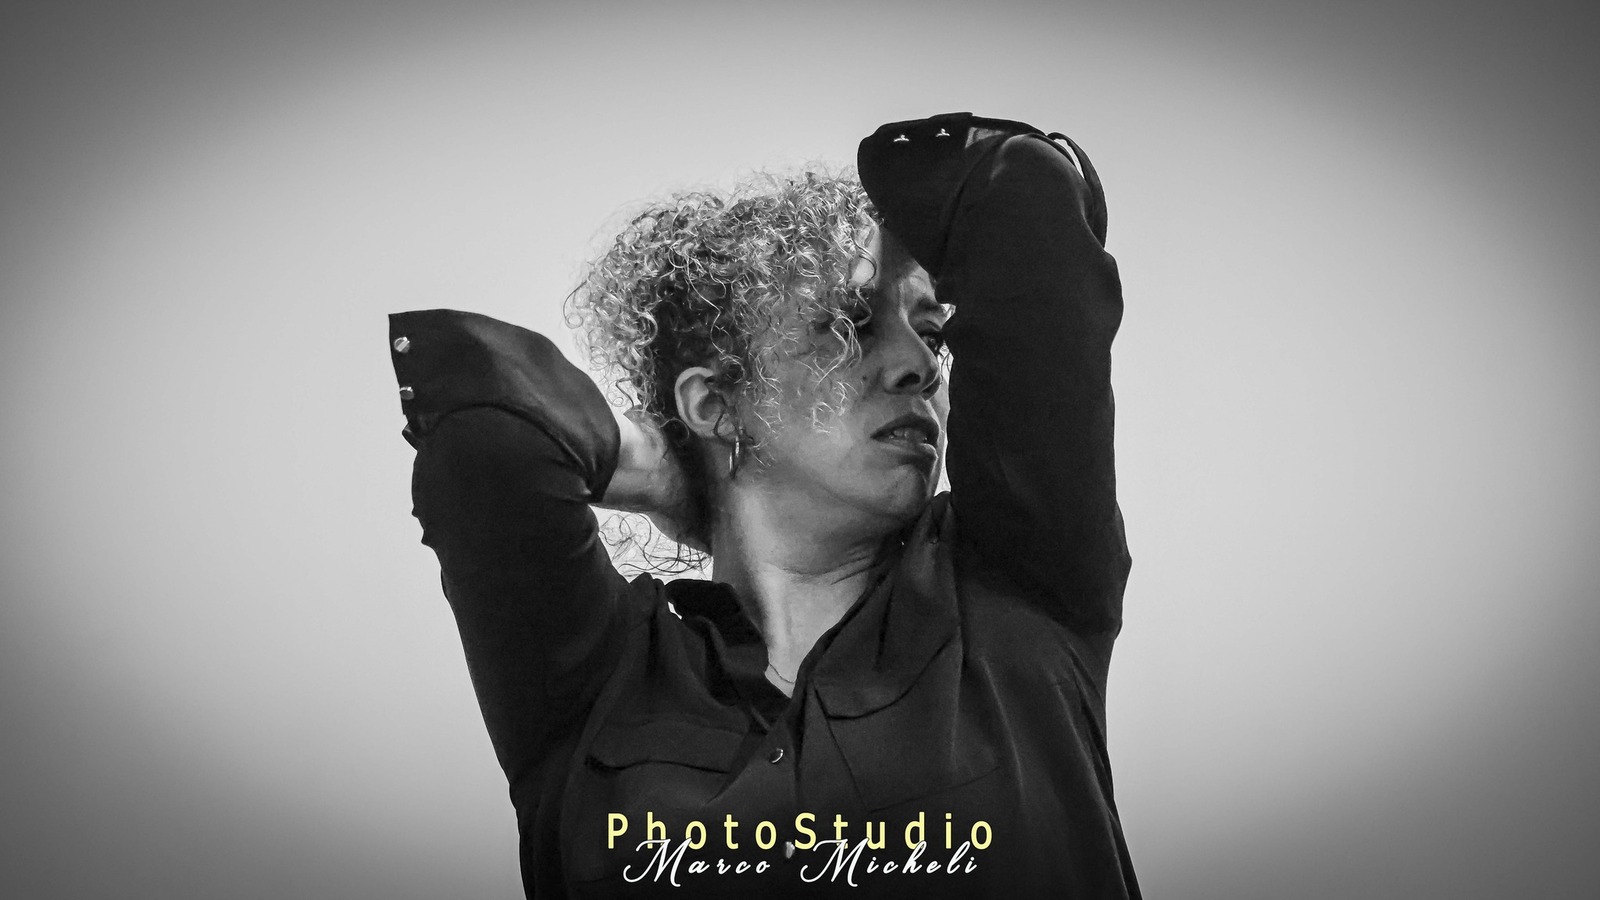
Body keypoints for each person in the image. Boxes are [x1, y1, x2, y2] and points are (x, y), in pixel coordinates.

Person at [388, 112, 1137, 898]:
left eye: (932, 335)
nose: (919, 366)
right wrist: (665, 461)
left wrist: (890, 205)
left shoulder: (1015, 584)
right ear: (716, 401)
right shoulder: (601, 685)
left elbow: (1020, 192)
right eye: (849, 327)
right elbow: (483, 434)